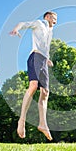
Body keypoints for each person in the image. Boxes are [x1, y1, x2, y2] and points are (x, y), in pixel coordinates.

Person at [9, 11, 57, 141]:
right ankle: (22, 120)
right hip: (35, 57)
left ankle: (43, 124)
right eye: (54, 18)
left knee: (45, 92)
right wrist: (16, 29)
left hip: (43, 60)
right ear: (47, 17)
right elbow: (23, 23)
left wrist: (47, 59)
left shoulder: (50, 32)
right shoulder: (39, 23)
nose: (55, 21)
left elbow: (45, 47)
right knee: (33, 85)